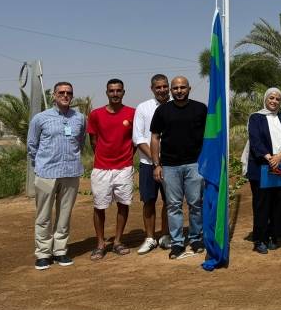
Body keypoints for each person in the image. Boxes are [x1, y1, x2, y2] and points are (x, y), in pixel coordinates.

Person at [27, 81, 86, 270]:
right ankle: (43, 253)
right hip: (46, 173)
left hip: (71, 173)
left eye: (69, 92)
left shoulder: (80, 118)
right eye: (61, 92)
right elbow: (32, 145)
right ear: (54, 95)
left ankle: (60, 250)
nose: (65, 95)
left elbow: (81, 142)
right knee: (43, 215)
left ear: (72, 95)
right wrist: (40, 164)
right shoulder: (40, 118)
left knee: (64, 214)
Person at [149, 76, 207, 260]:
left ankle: (196, 238)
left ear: (189, 88)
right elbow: (155, 137)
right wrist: (156, 165)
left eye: (182, 87)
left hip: (195, 164)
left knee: (195, 203)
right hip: (169, 166)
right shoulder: (162, 111)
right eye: (175, 88)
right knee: (173, 206)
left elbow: (209, 136)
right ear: (171, 90)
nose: (179, 91)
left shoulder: (201, 109)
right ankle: (177, 243)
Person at [87, 79, 136, 260]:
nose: (115, 94)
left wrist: (126, 157)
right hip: (101, 168)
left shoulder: (132, 113)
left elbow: (135, 140)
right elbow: (93, 141)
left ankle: (117, 241)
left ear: (124, 92)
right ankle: (100, 244)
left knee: (123, 204)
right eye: (112, 91)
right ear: (106, 93)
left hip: (124, 167)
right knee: (99, 206)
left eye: (118, 90)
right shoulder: (96, 114)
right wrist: (104, 157)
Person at [246, 88, 281, 254]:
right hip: (261, 167)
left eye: (277, 99)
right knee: (262, 204)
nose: (274, 101)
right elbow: (255, 141)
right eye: (271, 98)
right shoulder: (256, 117)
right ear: (266, 99)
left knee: (279, 202)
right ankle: (260, 239)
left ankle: (275, 236)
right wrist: (269, 158)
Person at [132, 74, 171, 254]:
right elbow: (138, 138)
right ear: (152, 88)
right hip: (148, 163)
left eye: (164, 86)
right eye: (158, 87)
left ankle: (165, 235)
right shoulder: (143, 108)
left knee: (170, 201)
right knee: (149, 200)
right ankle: (149, 238)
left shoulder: (176, 105)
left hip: (171, 164)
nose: (162, 90)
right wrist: (156, 160)